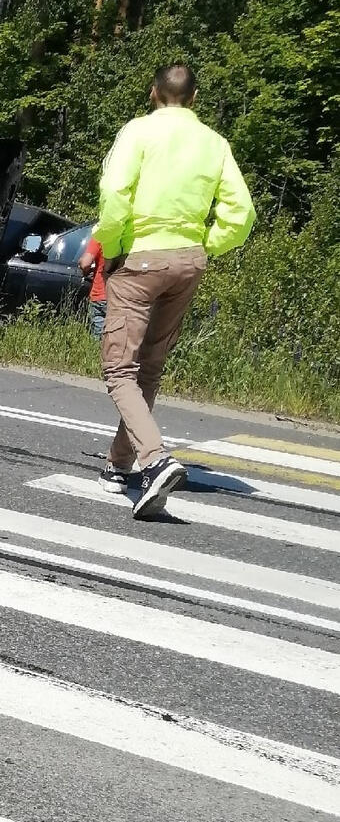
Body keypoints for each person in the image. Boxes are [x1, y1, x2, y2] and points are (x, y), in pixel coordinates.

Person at [85, 61, 255, 518]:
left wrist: (116, 247)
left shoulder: (137, 133)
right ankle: (118, 465)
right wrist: (204, 245)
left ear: (152, 93)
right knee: (151, 367)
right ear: (194, 99)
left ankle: (154, 458)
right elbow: (242, 214)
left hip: (139, 257)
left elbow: (115, 193)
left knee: (119, 369)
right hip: (188, 261)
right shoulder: (215, 143)